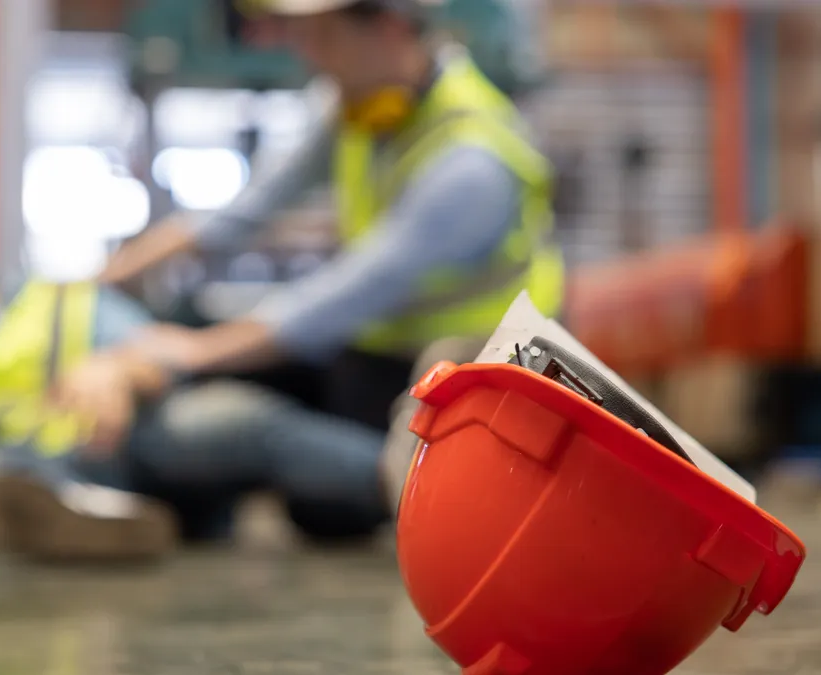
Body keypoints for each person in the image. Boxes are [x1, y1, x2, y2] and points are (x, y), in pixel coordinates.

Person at [0, 171, 394, 559]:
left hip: (120, 457)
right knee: (17, 484)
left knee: (225, 419)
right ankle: (63, 511)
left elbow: (166, 357)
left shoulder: (59, 301)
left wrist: (116, 368)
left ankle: (407, 479)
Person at [98, 0, 564, 433]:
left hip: (478, 380)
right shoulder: (354, 107)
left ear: (390, 26)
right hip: (383, 354)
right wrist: (103, 278)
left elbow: (351, 292)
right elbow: (248, 209)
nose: (311, 57)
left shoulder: (471, 160)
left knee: (307, 476)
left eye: (324, 37)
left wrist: (197, 352)